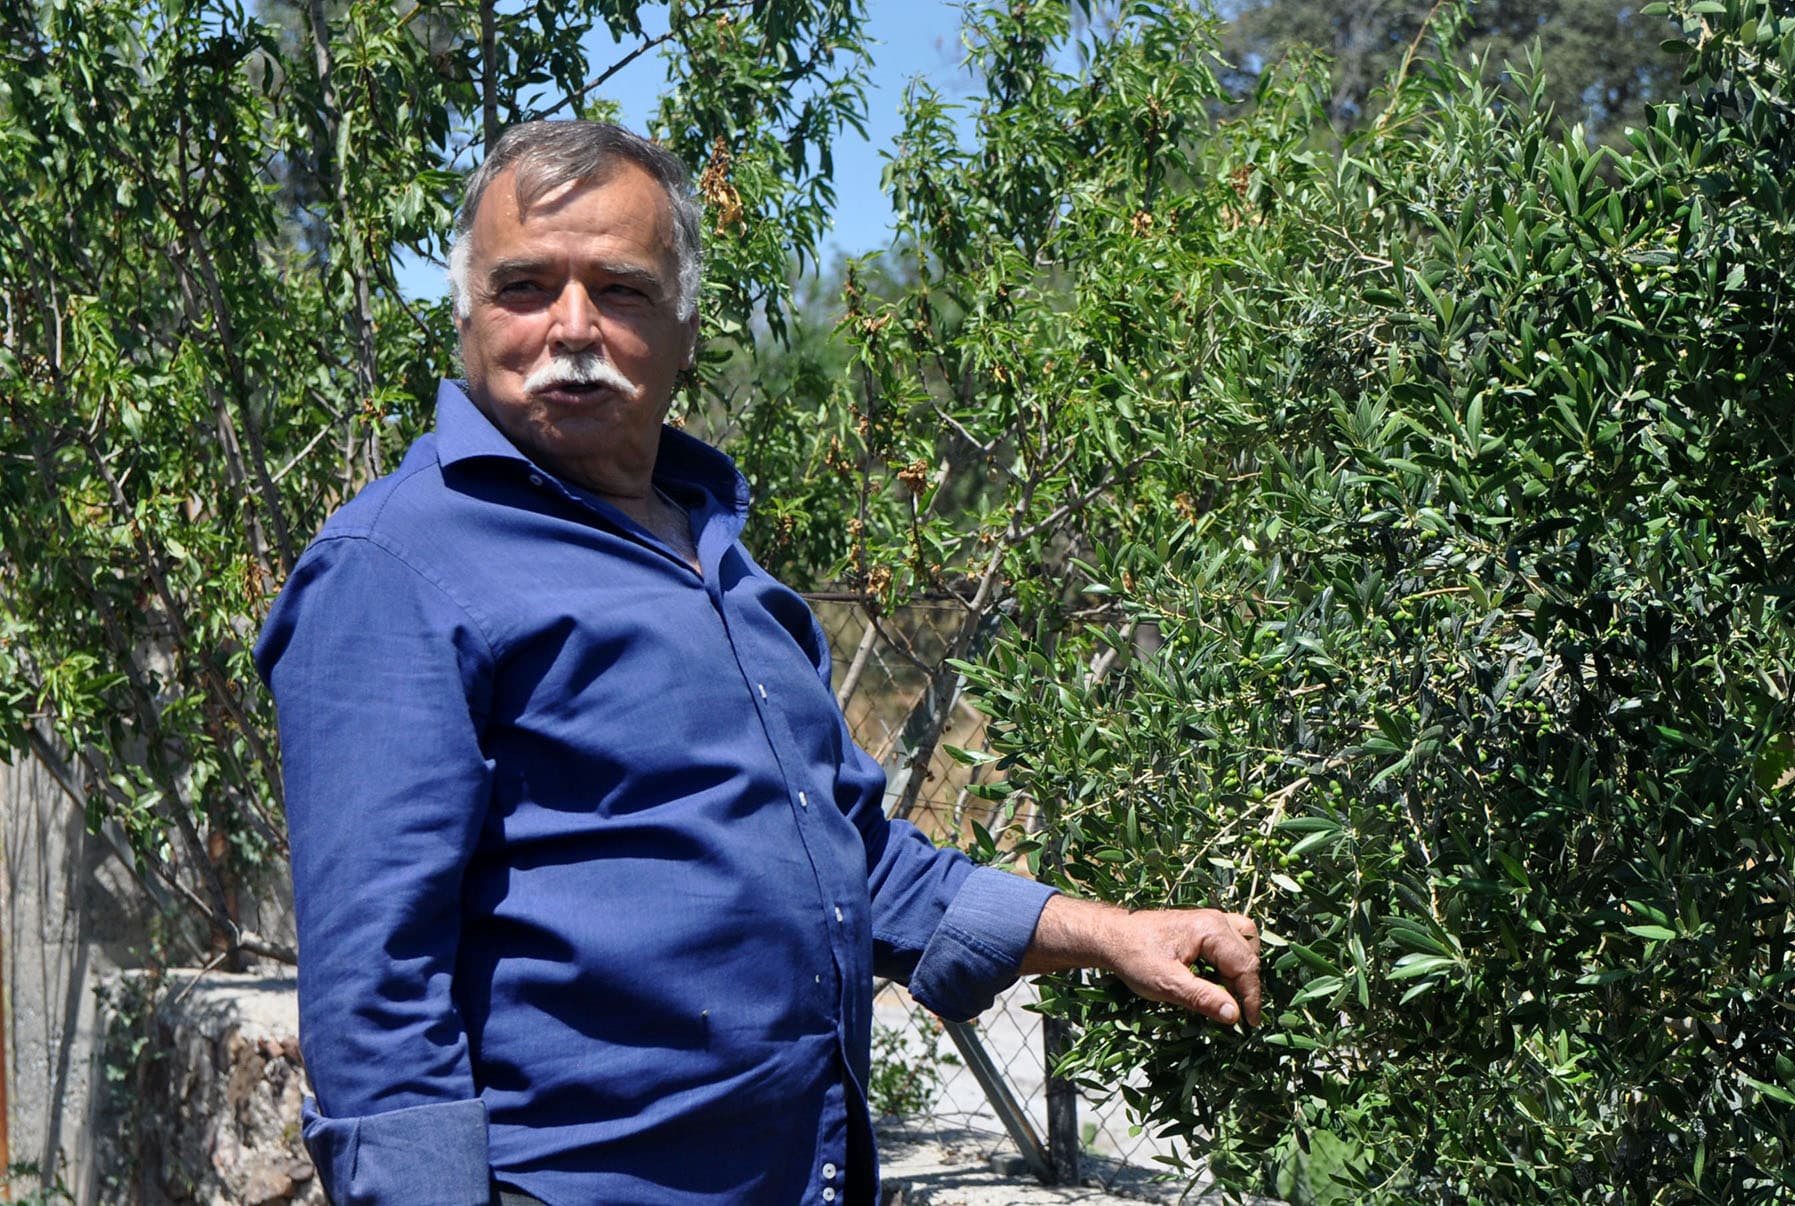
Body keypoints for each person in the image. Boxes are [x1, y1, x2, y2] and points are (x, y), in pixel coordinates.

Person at [253, 119, 1260, 1206]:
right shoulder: (396, 567)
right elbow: (377, 998)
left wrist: (1110, 934)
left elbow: (857, 863)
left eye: (622, 290)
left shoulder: (725, 569)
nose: (572, 327)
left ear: (686, 325)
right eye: (525, 287)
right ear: (465, 313)